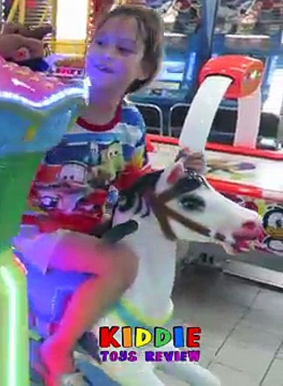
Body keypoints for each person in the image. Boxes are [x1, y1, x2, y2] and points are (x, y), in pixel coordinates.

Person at [16, 5, 206, 385]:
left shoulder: (131, 123)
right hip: (37, 227)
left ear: (145, 69)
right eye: (100, 43)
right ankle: (60, 346)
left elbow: (133, 181)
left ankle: (134, 339)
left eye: (123, 49)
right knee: (122, 265)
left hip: (91, 228)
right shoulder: (57, 112)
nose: (106, 54)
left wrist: (175, 175)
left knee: (156, 250)